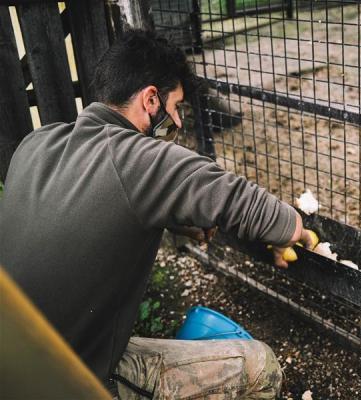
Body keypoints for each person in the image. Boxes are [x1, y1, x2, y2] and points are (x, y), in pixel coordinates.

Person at [0, 30, 312, 399]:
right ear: (151, 99)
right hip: (68, 383)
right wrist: (301, 234)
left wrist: (171, 220)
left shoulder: (35, 144)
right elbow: (270, 216)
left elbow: (90, 205)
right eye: (176, 107)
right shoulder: (144, 158)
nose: (178, 122)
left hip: (14, 364)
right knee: (260, 366)